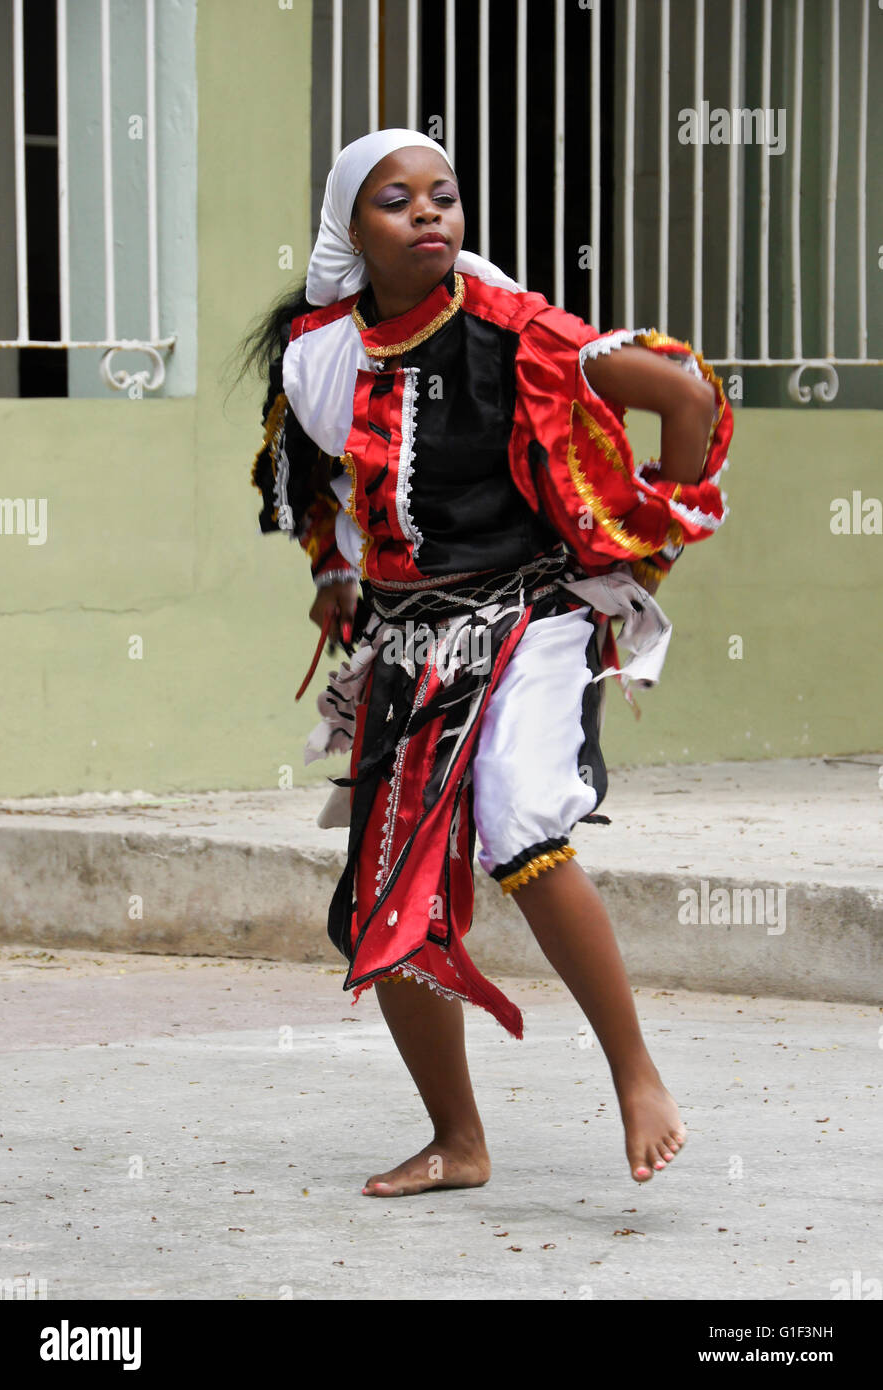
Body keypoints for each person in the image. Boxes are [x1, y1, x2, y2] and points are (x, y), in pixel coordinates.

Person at [239, 128, 733, 1197]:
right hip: (407, 640)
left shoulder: (519, 331)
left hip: (529, 615)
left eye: (444, 196)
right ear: (349, 231)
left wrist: (641, 566)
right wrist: (337, 581)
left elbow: (687, 397)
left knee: (516, 817)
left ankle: (635, 1073)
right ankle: (457, 1141)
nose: (428, 213)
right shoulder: (320, 360)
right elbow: (317, 486)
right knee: (386, 894)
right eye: (396, 200)